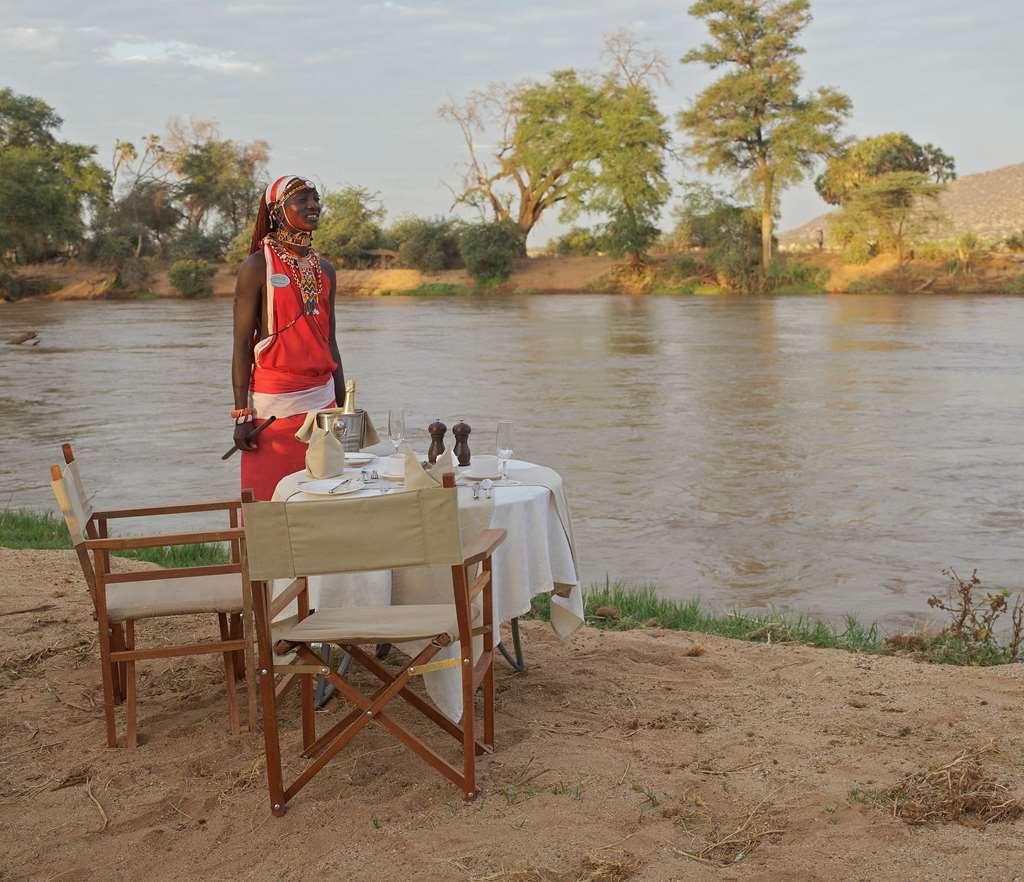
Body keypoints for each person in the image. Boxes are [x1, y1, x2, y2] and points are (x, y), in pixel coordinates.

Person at [231, 175, 344, 500]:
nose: (314, 206)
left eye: (316, 199)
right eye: (303, 199)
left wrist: (342, 406)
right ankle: (261, 554)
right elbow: (241, 346)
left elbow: (330, 342)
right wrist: (242, 415)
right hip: (273, 412)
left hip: (322, 404)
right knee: (268, 502)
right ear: (277, 211)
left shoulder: (325, 269)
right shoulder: (256, 266)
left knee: (323, 498)